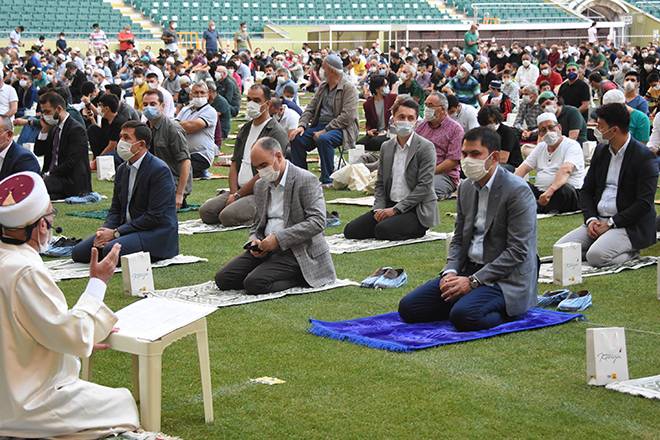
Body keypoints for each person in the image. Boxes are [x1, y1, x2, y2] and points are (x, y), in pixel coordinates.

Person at [0, 171, 140, 439]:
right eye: (51, 218)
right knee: (120, 402)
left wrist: (77, 337)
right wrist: (98, 282)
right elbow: (72, 336)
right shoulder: (25, 270)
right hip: (25, 402)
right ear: (41, 226)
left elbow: (32, 328)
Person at [397, 127, 538, 331]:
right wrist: (450, 272)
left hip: (504, 278)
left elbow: (517, 251)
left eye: (475, 154)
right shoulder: (466, 187)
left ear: (494, 157)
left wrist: (473, 282)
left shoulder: (517, 191)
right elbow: (459, 238)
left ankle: (510, 310)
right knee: (410, 308)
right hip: (468, 269)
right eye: (464, 154)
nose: (467, 160)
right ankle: (467, 300)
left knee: (464, 316)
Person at [215, 137, 336, 294]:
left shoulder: (306, 180)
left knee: (254, 283)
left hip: (298, 250)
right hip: (266, 248)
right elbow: (256, 224)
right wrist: (254, 240)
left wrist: (279, 239)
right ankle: (268, 268)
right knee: (224, 279)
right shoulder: (260, 185)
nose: (261, 171)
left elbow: (317, 222)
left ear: (278, 156)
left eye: (264, 165)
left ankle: (302, 277)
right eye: (257, 168)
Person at [556, 103, 658, 266]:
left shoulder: (644, 157)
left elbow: (644, 203)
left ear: (614, 130)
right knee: (561, 250)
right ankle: (603, 244)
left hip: (628, 225)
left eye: (600, 127)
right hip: (598, 220)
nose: (597, 131)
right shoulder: (601, 152)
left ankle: (630, 252)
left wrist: (611, 223)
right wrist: (590, 219)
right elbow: (586, 190)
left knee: (596, 256)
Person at [72, 121, 179, 264]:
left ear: (141, 144)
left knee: (109, 251)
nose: (121, 142)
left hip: (154, 233)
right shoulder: (122, 169)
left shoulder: (159, 170)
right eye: (121, 137)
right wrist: (106, 230)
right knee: (79, 253)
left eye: (127, 138)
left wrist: (116, 233)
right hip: (127, 229)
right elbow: (115, 207)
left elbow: (155, 216)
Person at [343, 98, 438, 240]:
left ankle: (417, 228)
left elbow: (424, 187)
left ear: (416, 121)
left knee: (383, 230)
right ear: (393, 119)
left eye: (410, 118)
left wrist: (395, 210)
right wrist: (379, 208)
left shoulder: (425, 147)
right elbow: (380, 182)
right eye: (401, 117)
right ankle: (392, 221)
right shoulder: (386, 147)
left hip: (415, 209)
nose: (406, 121)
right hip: (389, 204)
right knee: (351, 231)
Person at [200, 84, 287, 226]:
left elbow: (267, 172)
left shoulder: (276, 132)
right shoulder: (246, 128)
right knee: (207, 211)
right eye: (249, 99)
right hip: (239, 190)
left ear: (268, 103)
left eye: (257, 100)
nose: (252, 104)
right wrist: (234, 193)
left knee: (227, 216)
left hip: (262, 191)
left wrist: (238, 196)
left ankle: (268, 212)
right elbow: (234, 163)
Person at [289, 54, 359, 185]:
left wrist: (325, 130)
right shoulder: (323, 86)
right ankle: (302, 177)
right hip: (320, 125)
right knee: (296, 138)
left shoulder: (348, 88)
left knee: (324, 139)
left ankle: (328, 179)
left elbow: (347, 116)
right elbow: (310, 108)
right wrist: (302, 126)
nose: (321, 70)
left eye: (323, 67)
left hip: (341, 129)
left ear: (331, 70)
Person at [515, 112, 585, 213]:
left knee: (565, 190)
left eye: (551, 127)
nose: (548, 132)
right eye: (543, 130)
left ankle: (534, 207)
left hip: (562, 193)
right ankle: (536, 206)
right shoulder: (541, 147)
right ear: (540, 134)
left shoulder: (572, 145)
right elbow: (524, 168)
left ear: (559, 128)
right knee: (521, 186)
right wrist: (510, 185)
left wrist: (550, 191)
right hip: (541, 192)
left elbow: (566, 170)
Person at [34, 92, 91, 199]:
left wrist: (50, 174)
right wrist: (44, 130)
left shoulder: (76, 129)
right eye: (43, 112)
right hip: (54, 178)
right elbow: (38, 151)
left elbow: (72, 162)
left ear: (59, 109)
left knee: (38, 188)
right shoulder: (54, 128)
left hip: (71, 180)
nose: (45, 116)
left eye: (47, 112)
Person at [142, 89, 192, 209]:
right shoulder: (145, 128)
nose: (148, 108)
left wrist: (179, 194)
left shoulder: (172, 128)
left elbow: (185, 161)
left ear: (162, 106)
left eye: (153, 104)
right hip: (154, 179)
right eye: (145, 104)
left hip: (171, 182)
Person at [415, 92, 463, 199]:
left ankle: (449, 193)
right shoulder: (421, 126)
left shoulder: (455, 129)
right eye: (426, 105)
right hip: (419, 170)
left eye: (430, 105)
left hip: (443, 174)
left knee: (427, 190)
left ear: (442, 109)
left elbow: (453, 160)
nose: (427, 108)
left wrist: (429, 171)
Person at [177, 81, 218, 178]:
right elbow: (173, 128)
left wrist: (175, 125)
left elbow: (192, 126)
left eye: (202, 92)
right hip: (184, 153)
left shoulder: (210, 111)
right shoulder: (185, 110)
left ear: (208, 95)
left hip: (201, 155)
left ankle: (199, 171)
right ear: (191, 95)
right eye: (196, 92)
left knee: (176, 169)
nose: (199, 95)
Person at [86, 94, 129, 167]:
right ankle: (97, 158)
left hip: (118, 150)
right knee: (93, 129)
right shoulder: (105, 119)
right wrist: (92, 119)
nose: (99, 108)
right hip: (107, 144)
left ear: (107, 108)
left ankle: (99, 161)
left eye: (100, 105)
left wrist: (97, 161)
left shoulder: (119, 122)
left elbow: (112, 145)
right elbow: (101, 134)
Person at [357, 75, 396, 151]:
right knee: (359, 145)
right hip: (376, 133)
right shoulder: (367, 104)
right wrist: (369, 131)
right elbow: (368, 123)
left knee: (375, 142)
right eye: (385, 85)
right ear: (377, 88)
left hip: (389, 133)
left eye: (387, 85)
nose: (387, 87)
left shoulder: (393, 98)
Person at [477, 105, 522, 171]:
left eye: (490, 122)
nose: (487, 125)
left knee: (491, 169)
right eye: (484, 123)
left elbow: (503, 158)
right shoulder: (481, 132)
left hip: (510, 165)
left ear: (497, 119)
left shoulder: (507, 132)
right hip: (489, 162)